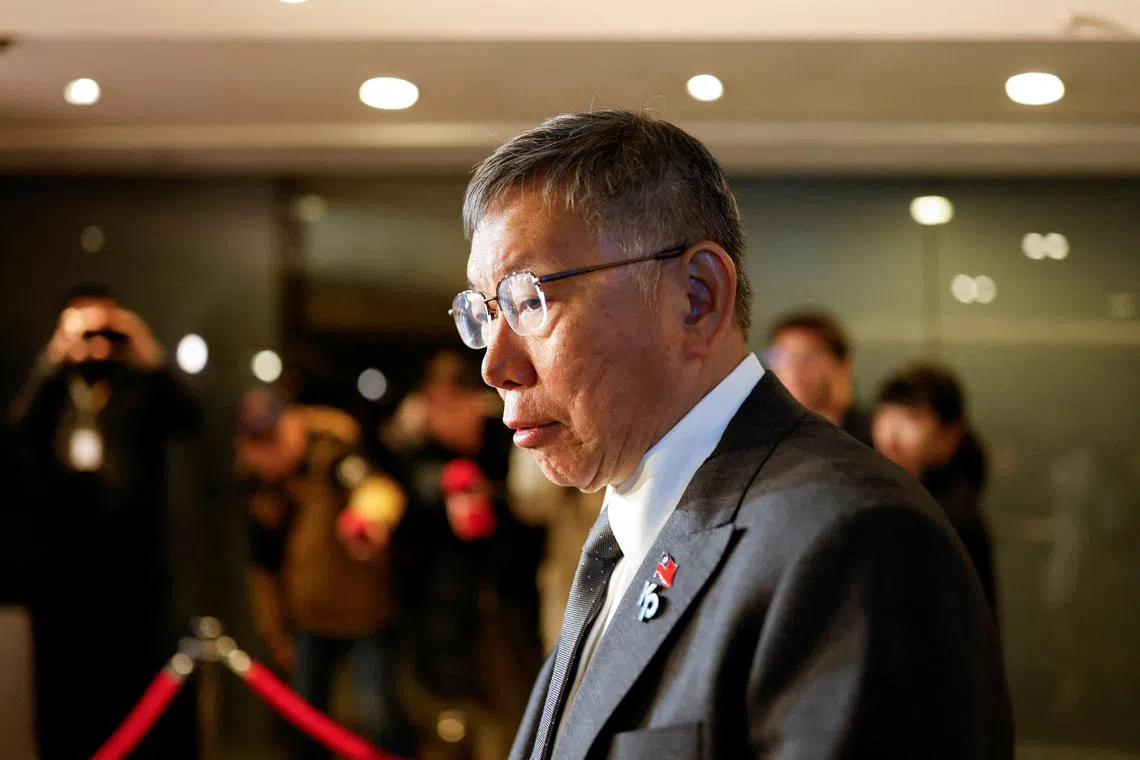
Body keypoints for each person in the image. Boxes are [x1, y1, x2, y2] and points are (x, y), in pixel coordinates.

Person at [450, 110, 1013, 759]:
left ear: (697, 296)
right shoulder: (627, 522)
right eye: (484, 311)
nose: (494, 366)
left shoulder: (853, 541)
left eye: (528, 300)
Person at [7, 283, 202, 760]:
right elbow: (16, 435)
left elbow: (189, 418)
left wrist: (144, 348)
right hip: (62, 571)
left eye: (106, 329)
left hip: (134, 570)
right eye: (85, 328)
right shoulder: (54, 391)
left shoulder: (139, 387)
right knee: (66, 695)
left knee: (134, 689)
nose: (96, 342)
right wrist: (54, 357)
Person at [235, 386, 414, 759]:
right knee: (305, 717)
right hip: (307, 620)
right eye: (257, 442)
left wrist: (369, 518)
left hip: (365, 613)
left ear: (292, 423)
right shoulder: (261, 490)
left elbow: (375, 488)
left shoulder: (333, 455)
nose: (269, 450)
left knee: (377, 711)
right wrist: (274, 631)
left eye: (273, 436)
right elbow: (263, 569)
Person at [384, 350, 545, 760]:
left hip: (505, 610)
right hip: (440, 618)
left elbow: (530, 517)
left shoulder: (509, 443)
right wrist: (444, 486)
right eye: (438, 405)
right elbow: (409, 493)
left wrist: (493, 498)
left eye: (458, 402)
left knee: (508, 717)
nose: (449, 416)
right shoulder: (418, 457)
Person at [872, 363, 1000, 627]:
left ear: (949, 433)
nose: (892, 432)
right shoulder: (889, 494)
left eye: (911, 417)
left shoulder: (951, 517)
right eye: (886, 414)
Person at [766, 310, 872, 445]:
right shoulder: (767, 439)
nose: (793, 369)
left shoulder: (877, 437)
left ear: (842, 364)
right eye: (782, 358)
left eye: (806, 357)